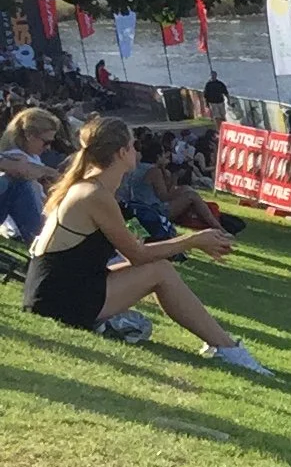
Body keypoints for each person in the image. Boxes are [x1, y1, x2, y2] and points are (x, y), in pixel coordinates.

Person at [22, 118, 271, 373]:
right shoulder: (94, 194)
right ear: (121, 153)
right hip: (59, 299)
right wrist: (193, 240)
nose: (137, 152)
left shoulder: (89, 187)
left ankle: (222, 344)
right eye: (133, 146)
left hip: (54, 290)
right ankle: (228, 348)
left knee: (158, 268)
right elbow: (138, 255)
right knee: (160, 271)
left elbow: (118, 254)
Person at [1, 105, 62, 248]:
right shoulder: (14, 156)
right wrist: (53, 173)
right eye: (46, 142)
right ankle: (43, 241)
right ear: (29, 136)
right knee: (21, 183)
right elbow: (24, 170)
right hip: (19, 225)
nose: (48, 147)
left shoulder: (31, 156)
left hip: (34, 215)